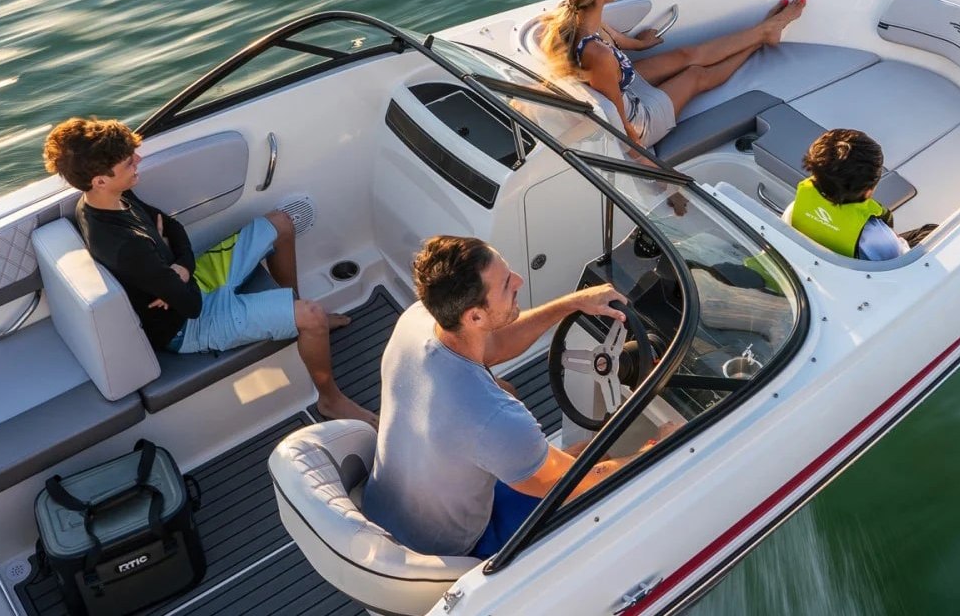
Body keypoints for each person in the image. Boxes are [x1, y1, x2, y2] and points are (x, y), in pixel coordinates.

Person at [42, 117, 374, 425]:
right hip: (186, 326)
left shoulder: (115, 195)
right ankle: (330, 398)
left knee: (281, 224)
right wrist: (175, 268)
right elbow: (192, 306)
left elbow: (173, 226)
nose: (138, 162)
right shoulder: (123, 245)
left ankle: (294, 314)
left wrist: (180, 267)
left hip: (188, 286)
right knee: (314, 315)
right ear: (100, 180)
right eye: (129, 162)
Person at [361, 235, 674, 558]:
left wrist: (573, 303)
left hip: (390, 507)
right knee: (605, 492)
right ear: (475, 317)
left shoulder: (419, 320)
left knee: (583, 454)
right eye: (507, 284)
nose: (519, 281)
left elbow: (495, 345)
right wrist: (658, 447)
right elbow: (576, 485)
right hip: (449, 547)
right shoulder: (494, 419)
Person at [537, 0, 806, 150]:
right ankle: (762, 38)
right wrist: (647, 163)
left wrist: (642, 44)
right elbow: (618, 120)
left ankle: (764, 32)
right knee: (696, 75)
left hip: (625, 84)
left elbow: (619, 41)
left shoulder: (578, 15)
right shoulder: (597, 55)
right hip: (638, 120)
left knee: (687, 54)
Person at [783, 128, 936, 260]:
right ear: (869, 191)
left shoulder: (794, 210)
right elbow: (900, 261)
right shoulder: (880, 241)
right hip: (884, 257)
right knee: (931, 231)